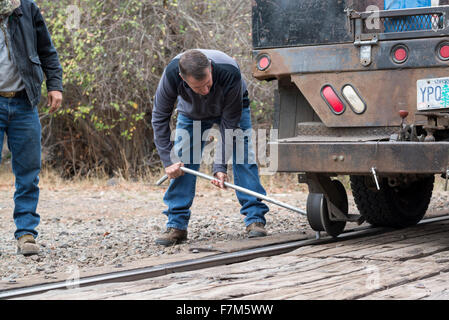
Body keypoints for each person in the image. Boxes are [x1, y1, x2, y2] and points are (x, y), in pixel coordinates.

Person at [152, 49, 269, 246]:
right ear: (183, 79)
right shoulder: (172, 74)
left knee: (243, 155)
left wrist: (219, 167)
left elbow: (230, 125)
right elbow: (159, 118)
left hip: (231, 109)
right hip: (191, 113)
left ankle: (255, 218)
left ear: (211, 69)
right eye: (198, 87)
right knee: (183, 160)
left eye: (208, 83)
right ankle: (176, 224)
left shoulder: (229, 71)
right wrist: (168, 160)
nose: (205, 90)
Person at [0, 0, 63, 255]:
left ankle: (26, 234)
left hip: (24, 102)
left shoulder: (26, 8)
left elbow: (47, 49)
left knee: (28, 173)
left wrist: (55, 84)